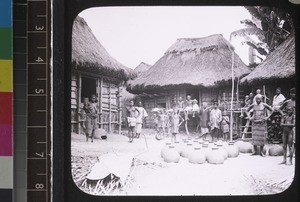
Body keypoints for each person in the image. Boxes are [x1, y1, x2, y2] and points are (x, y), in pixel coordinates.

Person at [278, 88, 295, 165]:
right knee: (285, 145)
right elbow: (279, 109)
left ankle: (291, 160)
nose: (293, 95)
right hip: (287, 126)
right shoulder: (287, 102)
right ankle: (284, 159)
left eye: (294, 93)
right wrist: (283, 114)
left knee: (291, 145)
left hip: (292, 126)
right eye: (292, 93)